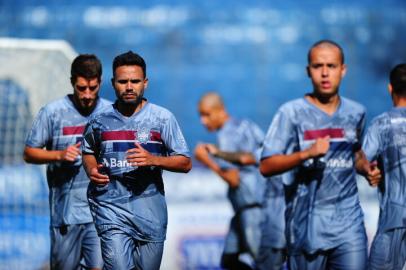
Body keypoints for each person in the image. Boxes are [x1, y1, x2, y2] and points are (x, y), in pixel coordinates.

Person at [260, 40, 372, 270]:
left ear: (343, 70)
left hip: (349, 225)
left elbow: (355, 153)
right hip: (306, 228)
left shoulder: (356, 112)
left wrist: (367, 168)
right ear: (307, 71)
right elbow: (267, 165)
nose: (324, 73)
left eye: (331, 66)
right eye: (317, 66)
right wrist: (306, 153)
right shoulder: (291, 113)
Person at [81, 51, 192, 270]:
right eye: (123, 81)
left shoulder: (162, 118)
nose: (129, 87)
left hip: (150, 215)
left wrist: (154, 159)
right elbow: (88, 150)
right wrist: (91, 169)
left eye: (135, 81)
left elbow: (185, 162)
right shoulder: (99, 120)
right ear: (113, 84)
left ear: (145, 83)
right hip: (110, 209)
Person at [24, 54, 110, 270]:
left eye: (93, 88)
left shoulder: (111, 113)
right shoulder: (52, 113)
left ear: (100, 82)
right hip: (65, 215)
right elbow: (29, 153)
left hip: (100, 214)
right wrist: (59, 155)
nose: (88, 95)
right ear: (72, 82)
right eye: (82, 88)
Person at [194, 92, 266, 270]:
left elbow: (233, 179)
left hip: (252, 207)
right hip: (262, 202)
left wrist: (207, 160)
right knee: (229, 259)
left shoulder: (226, 135)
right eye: (200, 115)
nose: (203, 121)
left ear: (220, 111)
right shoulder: (247, 125)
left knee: (262, 262)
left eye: (207, 114)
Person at [356, 63, 406, 270]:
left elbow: (362, 160)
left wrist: (370, 172)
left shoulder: (382, 124)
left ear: (390, 88)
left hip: (394, 218)